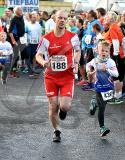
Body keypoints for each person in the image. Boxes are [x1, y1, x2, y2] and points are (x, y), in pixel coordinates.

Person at [36, 10, 81, 142]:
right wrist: (44, 62)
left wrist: (76, 62)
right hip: (51, 77)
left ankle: (63, 110)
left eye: (65, 18)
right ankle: (56, 130)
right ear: (54, 19)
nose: (62, 20)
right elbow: (38, 55)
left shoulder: (73, 36)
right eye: (60, 18)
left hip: (67, 76)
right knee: (52, 105)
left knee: (65, 106)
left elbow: (78, 51)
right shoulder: (46, 39)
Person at [88, 41, 119, 137]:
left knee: (103, 104)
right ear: (97, 50)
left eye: (106, 51)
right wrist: (89, 71)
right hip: (98, 87)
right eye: (102, 50)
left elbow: (116, 74)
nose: (104, 53)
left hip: (108, 88)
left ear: (109, 52)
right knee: (102, 108)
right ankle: (102, 127)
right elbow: (88, 66)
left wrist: (108, 70)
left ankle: (94, 102)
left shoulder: (110, 62)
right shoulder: (94, 61)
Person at [8, 6, 25, 78]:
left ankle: (18, 68)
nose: (21, 11)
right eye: (20, 10)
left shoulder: (21, 18)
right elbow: (10, 31)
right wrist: (13, 40)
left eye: (21, 10)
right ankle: (12, 71)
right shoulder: (13, 19)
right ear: (16, 11)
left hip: (22, 39)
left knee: (24, 54)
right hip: (15, 39)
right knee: (15, 56)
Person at [25, 12, 42, 77]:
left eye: (36, 17)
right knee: (28, 55)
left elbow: (40, 35)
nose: (35, 19)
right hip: (28, 43)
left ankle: (34, 67)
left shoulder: (38, 25)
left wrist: (40, 43)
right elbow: (25, 33)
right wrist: (26, 41)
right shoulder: (27, 24)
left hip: (36, 43)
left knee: (34, 55)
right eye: (33, 17)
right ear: (30, 18)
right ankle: (29, 68)